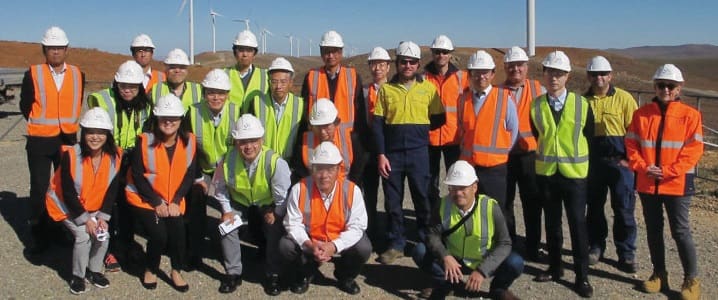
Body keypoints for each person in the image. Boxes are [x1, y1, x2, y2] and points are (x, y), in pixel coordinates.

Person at [626, 64, 703, 300]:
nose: (666, 89)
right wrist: (643, 167)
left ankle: (692, 278)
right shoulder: (641, 114)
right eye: (661, 85)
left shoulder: (691, 115)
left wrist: (669, 171)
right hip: (648, 182)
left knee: (680, 231)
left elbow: (694, 150)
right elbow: (631, 145)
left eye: (671, 86)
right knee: (653, 230)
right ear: (655, 87)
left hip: (677, 183)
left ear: (679, 88)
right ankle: (659, 274)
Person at [374, 41, 445, 265]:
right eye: (403, 61)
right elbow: (377, 124)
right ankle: (396, 244)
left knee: (423, 198)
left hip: (418, 153)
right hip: (392, 155)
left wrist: (418, 132)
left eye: (412, 62)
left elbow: (439, 118)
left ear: (418, 64)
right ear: (397, 64)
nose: (407, 65)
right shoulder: (386, 90)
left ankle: (426, 240)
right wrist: (381, 154)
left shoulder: (428, 89)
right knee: (393, 202)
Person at [530, 51, 594, 298]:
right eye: (550, 73)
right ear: (544, 75)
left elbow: (588, 136)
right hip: (547, 174)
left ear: (567, 76)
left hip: (575, 176)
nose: (554, 78)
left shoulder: (582, 104)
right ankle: (555, 268)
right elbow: (539, 136)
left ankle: (582, 277)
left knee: (578, 225)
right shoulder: (536, 105)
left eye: (559, 73)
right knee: (552, 223)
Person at [412, 160, 523, 300]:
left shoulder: (490, 207)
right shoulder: (442, 205)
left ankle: (498, 289)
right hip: (455, 261)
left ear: (474, 187)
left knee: (515, 262)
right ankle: (447, 283)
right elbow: (432, 235)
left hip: (483, 260)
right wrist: (445, 256)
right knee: (419, 251)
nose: (458, 193)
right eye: (453, 188)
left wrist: (482, 271)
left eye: (463, 187)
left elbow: (505, 243)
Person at [20, 26, 85, 255]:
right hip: (39, 140)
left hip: (66, 138)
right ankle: (39, 234)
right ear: (44, 50)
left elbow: (77, 101)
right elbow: (25, 105)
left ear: (66, 50)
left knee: (63, 187)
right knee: (39, 188)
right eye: (51, 48)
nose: (55, 52)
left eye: (59, 48)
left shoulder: (78, 74)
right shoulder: (33, 73)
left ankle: (60, 228)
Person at [211, 114, 291, 296]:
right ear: (236, 142)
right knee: (226, 226)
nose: (248, 147)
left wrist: (276, 213)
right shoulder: (227, 160)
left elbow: (283, 197)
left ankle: (273, 274)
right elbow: (219, 189)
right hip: (241, 204)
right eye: (243, 142)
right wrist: (227, 211)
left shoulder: (275, 162)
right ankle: (233, 273)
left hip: (268, 204)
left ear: (262, 139)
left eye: (253, 141)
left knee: (275, 228)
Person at [125, 94, 197, 292]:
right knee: (159, 235)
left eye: (173, 118)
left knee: (178, 230)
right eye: (164, 117)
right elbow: (138, 176)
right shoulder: (144, 141)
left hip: (172, 199)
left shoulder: (189, 141)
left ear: (181, 119)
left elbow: (190, 174)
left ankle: (176, 270)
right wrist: (156, 202)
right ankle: (151, 268)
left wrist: (175, 200)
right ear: (156, 118)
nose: (168, 122)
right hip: (144, 198)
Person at [45, 108, 121, 294]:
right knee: (83, 236)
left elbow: (112, 191)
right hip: (65, 206)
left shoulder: (115, 156)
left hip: (93, 207)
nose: (95, 137)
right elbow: (69, 193)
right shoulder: (71, 155)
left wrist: (103, 217)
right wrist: (86, 220)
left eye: (100, 132)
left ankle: (94, 271)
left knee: (104, 234)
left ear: (107, 135)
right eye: (90, 132)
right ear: (83, 133)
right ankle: (78, 276)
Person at [281, 141, 371, 295]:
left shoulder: (351, 191)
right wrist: (310, 245)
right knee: (286, 245)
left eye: (330, 169)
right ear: (312, 169)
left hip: (338, 238)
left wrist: (334, 246)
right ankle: (305, 273)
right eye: (319, 169)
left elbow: (358, 226)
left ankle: (345, 276)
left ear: (338, 169)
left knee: (363, 247)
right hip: (311, 239)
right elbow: (292, 224)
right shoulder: (299, 189)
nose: (324, 175)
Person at [87, 60, 152, 271]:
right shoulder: (103, 100)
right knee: (108, 206)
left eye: (132, 87)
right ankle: (108, 250)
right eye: (123, 86)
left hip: (132, 161)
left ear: (139, 87)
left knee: (128, 206)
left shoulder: (146, 105)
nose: (127, 90)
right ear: (116, 83)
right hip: (108, 159)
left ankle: (126, 243)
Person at [583, 56, 638, 272]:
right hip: (592, 164)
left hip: (619, 164)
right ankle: (596, 246)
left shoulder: (624, 99)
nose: (599, 78)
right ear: (588, 76)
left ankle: (626, 253)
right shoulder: (581, 101)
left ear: (610, 75)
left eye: (603, 73)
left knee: (624, 209)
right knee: (594, 208)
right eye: (595, 74)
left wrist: (630, 160)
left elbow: (635, 133)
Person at [185, 69, 241, 268]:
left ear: (227, 94)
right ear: (204, 93)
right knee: (196, 200)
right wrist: (198, 178)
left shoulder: (237, 112)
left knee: (232, 208)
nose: (216, 97)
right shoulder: (192, 112)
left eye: (220, 93)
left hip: (229, 170)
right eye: (211, 92)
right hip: (202, 169)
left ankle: (231, 252)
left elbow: (241, 147)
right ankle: (195, 251)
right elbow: (187, 149)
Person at [458, 50, 518, 221]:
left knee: (496, 213)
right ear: (470, 75)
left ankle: (502, 246)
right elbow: (462, 129)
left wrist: (499, 152)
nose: (481, 77)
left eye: (485, 72)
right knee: (471, 211)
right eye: (476, 73)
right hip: (470, 168)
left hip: (495, 169)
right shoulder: (463, 99)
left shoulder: (504, 98)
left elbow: (513, 132)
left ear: (492, 74)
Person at [301, 30, 369, 180]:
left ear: (341, 52)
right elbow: (305, 111)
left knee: (348, 181)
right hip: (319, 139)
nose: (330, 56)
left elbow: (360, 113)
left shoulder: (352, 76)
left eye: (334, 51)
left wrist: (362, 146)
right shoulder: (311, 76)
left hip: (348, 141)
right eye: (326, 51)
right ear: (321, 52)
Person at [501, 46, 545, 259]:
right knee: (505, 203)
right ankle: (508, 244)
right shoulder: (497, 92)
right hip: (505, 156)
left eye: (519, 65)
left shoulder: (539, 90)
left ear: (527, 67)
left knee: (532, 202)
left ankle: (533, 245)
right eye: (511, 66)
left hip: (530, 156)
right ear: (505, 67)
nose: (515, 69)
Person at [425, 35, 468, 210]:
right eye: (437, 52)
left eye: (444, 52)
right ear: (432, 53)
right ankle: (433, 215)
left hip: (454, 139)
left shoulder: (462, 78)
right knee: (429, 182)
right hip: (430, 139)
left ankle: (454, 213)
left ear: (450, 54)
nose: (441, 55)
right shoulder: (422, 78)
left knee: (457, 181)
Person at [291, 98, 365, 184]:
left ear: (336, 122)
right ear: (310, 126)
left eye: (326, 126)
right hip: (314, 192)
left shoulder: (351, 140)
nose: (322, 131)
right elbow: (300, 174)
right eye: (318, 126)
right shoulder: (304, 142)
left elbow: (357, 174)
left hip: (343, 192)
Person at [245, 57, 305, 161]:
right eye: (274, 81)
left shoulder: (300, 105)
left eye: (283, 82)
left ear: (291, 83)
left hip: (290, 165)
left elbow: (302, 140)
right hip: (263, 163)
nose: (278, 86)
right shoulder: (257, 103)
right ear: (268, 82)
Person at [362, 47, 391, 242]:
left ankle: (391, 235)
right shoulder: (363, 92)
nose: (377, 68)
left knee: (392, 196)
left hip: (390, 150)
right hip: (368, 150)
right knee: (369, 195)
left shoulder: (395, 91)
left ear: (388, 67)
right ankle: (370, 231)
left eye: (381, 64)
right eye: (374, 64)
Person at [225, 30, 268, 110]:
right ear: (235, 52)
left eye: (249, 50)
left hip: (257, 121)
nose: (245, 54)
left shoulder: (265, 76)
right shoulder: (224, 74)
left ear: (254, 53)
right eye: (241, 50)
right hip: (231, 121)